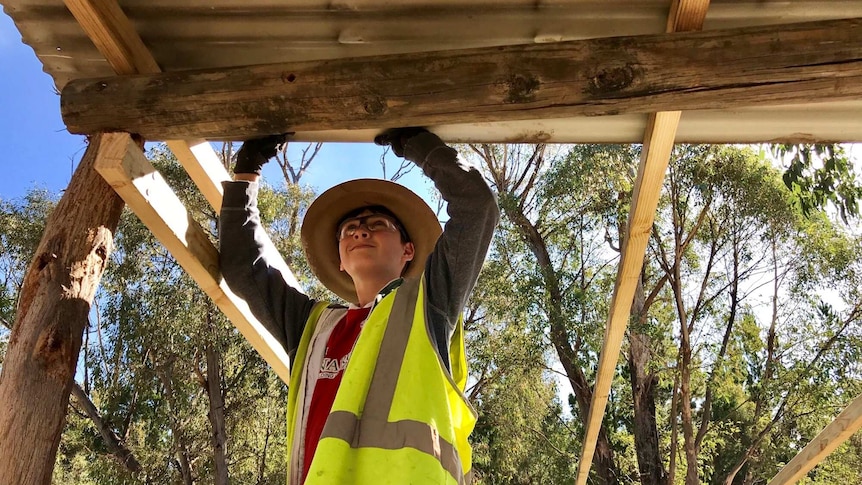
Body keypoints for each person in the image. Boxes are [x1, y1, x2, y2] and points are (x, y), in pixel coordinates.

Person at [219, 128, 499, 484]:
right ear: (339, 258)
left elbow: (476, 207)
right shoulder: (313, 327)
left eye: (377, 225)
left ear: (408, 251)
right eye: (349, 228)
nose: (360, 232)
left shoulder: (429, 304)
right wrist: (246, 173)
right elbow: (244, 268)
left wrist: (417, 144)